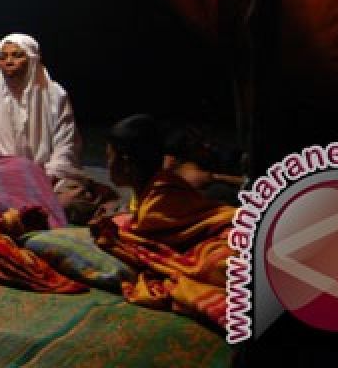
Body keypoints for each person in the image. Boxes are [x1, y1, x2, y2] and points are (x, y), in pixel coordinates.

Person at [92, 114, 236, 328]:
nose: (107, 164)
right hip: (220, 231)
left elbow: (141, 235)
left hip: (229, 232)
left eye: (109, 157)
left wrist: (112, 230)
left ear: (125, 162)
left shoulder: (159, 199)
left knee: (222, 267)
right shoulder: (152, 190)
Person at [0, 34, 81, 182]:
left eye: (17, 55)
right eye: (4, 56)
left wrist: (47, 176)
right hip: (2, 173)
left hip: (46, 175)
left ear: (32, 60)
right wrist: (4, 170)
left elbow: (65, 144)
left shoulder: (54, 94)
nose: (9, 61)